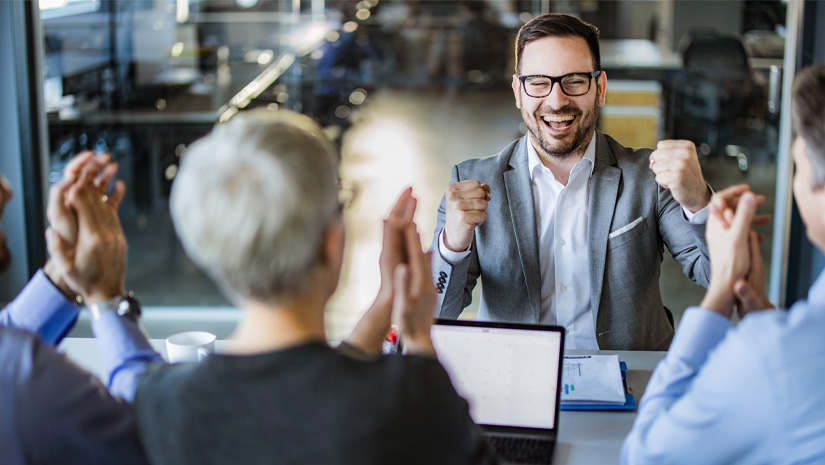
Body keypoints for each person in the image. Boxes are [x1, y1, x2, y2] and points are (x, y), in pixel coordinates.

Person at [133, 109, 495, 465]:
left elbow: (309, 385)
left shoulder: (160, 401)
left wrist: (385, 302)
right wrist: (418, 344)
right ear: (330, 242)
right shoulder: (403, 400)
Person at [431, 13, 713, 350]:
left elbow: (716, 274)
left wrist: (700, 204)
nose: (556, 99)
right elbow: (437, 312)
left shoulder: (647, 178)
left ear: (601, 88)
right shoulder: (473, 182)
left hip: (629, 378)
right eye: (538, 81)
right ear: (518, 92)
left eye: (575, 80)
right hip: (517, 380)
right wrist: (453, 245)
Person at [621, 65, 825, 464]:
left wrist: (721, 293)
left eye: (798, 167)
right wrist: (762, 322)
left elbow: (646, 455)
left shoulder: (775, 358)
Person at [0, 152, 159, 465]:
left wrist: (66, 270)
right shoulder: (29, 388)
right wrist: (106, 298)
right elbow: (158, 437)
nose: (7, 190)